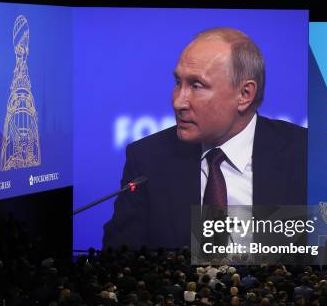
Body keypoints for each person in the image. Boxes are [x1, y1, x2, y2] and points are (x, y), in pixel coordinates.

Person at [103, 27, 307, 250]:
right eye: (178, 83)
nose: (178, 102)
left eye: (196, 86)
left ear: (244, 95)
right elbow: (121, 257)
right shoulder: (147, 159)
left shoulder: (305, 155)